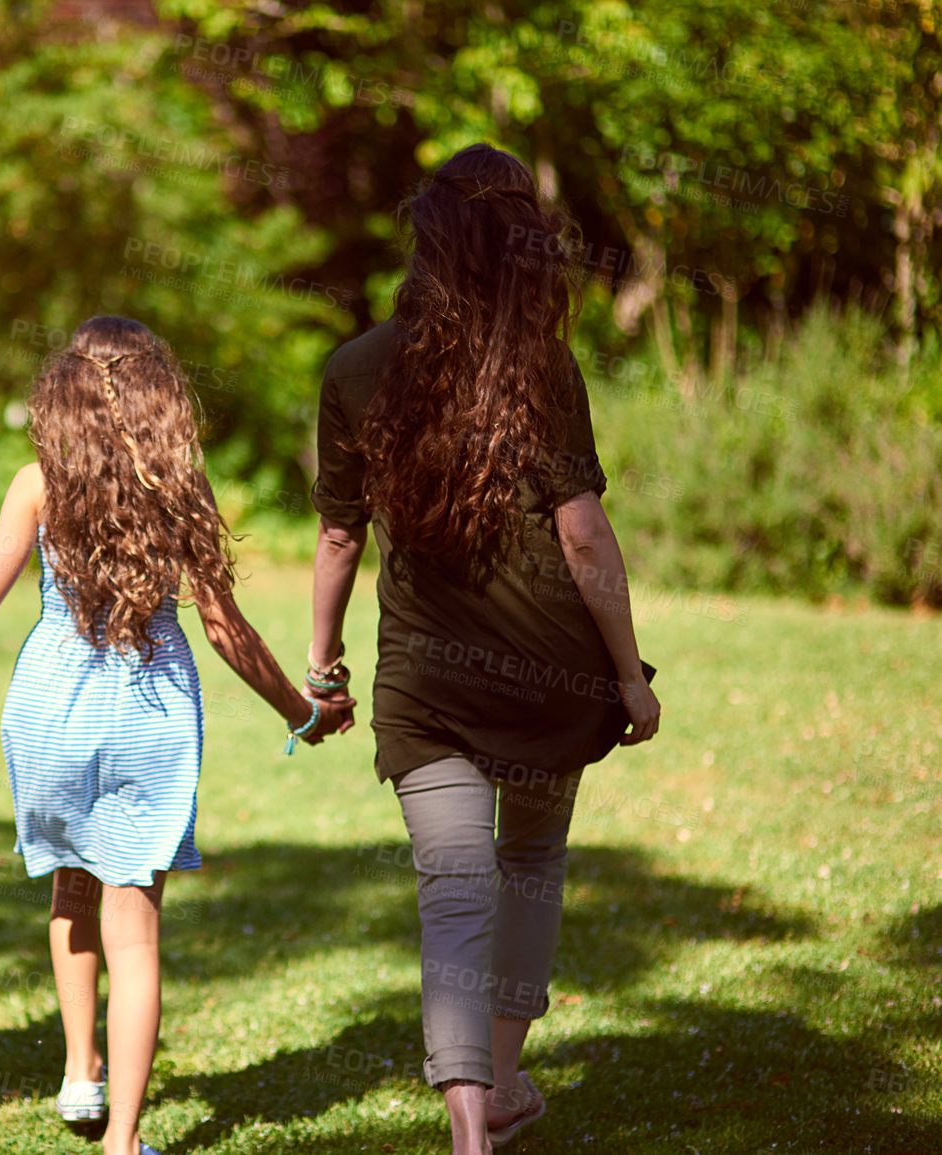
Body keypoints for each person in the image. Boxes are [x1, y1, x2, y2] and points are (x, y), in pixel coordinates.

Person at [0, 316, 351, 1155]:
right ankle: (122, 1141)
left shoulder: (37, 483)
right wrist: (300, 709)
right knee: (133, 929)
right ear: (157, 395)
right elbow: (224, 629)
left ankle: (80, 1073)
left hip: (50, 715)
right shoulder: (180, 482)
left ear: (61, 396)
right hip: (150, 720)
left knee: (70, 888)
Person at [304, 143, 662, 1155]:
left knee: (452, 890)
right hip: (552, 680)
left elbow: (338, 535)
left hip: (426, 687)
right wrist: (629, 679)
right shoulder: (542, 366)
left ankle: (469, 1133)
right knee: (531, 863)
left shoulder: (355, 368)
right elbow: (583, 533)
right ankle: (503, 1082)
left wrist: (322, 666)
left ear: (425, 240)